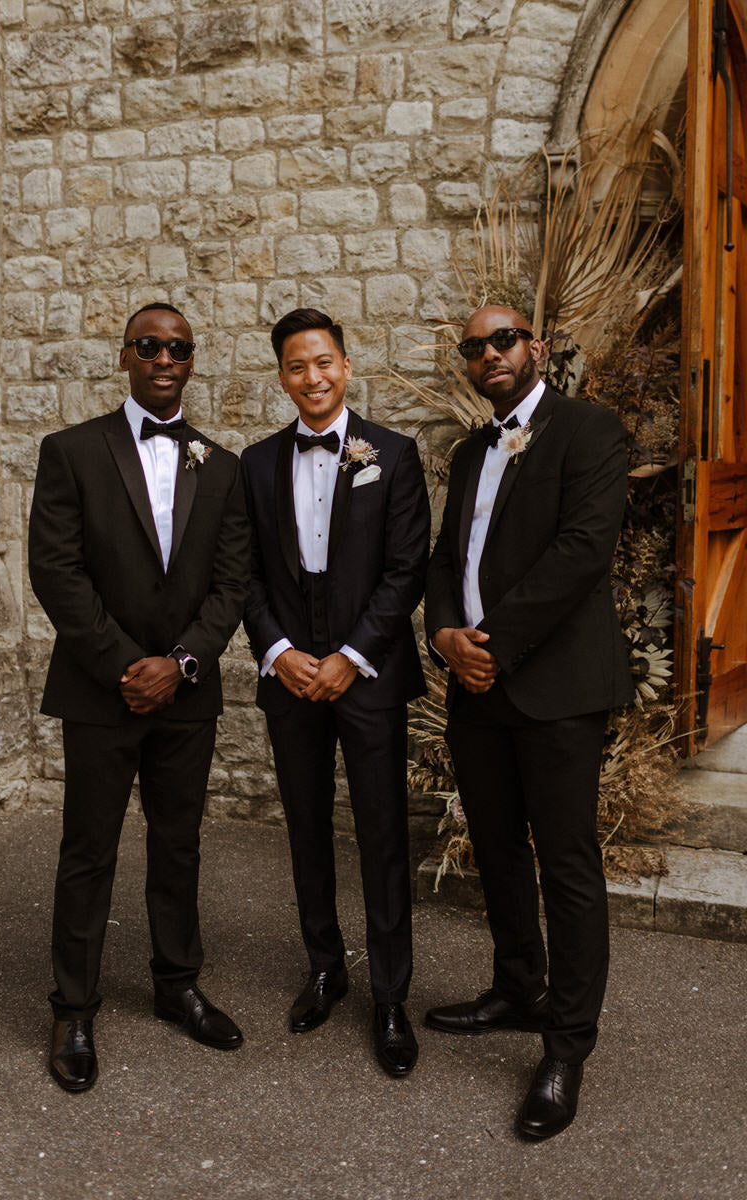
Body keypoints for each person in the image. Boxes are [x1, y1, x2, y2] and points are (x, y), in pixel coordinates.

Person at [29, 302, 251, 1092]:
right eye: (149, 345)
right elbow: (56, 572)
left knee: (178, 843)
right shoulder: (70, 451)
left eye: (179, 348)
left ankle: (176, 984)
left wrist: (182, 662)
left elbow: (233, 585)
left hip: (186, 696)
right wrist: (130, 664)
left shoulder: (222, 466)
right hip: (100, 690)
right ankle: (74, 1006)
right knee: (88, 852)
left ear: (193, 361)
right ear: (125, 354)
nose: (164, 358)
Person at [424, 305, 634, 1138]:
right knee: (498, 848)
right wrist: (445, 637)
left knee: (568, 864)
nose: (490, 354)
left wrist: (493, 645)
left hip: (554, 688)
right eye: (474, 347)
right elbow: (446, 558)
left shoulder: (588, 430)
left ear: (534, 349)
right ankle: (517, 987)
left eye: (503, 340)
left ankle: (566, 1045)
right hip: (476, 689)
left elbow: (583, 551)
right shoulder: (468, 450)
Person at [240, 308, 430, 1077]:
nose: (311, 378)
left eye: (323, 362)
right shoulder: (254, 464)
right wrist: (279, 650)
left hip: (368, 673)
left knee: (383, 835)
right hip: (291, 677)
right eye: (295, 366)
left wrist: (351, 655)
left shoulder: (394, 453)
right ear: (282, 377)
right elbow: (242, 572)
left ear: (345, 366)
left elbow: (407, 568)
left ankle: (390, 996)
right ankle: (326, 967)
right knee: (306, 827)